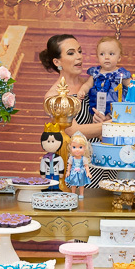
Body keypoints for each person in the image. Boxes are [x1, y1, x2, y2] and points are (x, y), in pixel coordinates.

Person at [40, 34, 116, 188]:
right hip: (81, 165)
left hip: (107, 160)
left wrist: (107, 120)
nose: (79, 57)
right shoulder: (54, 96)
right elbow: (74, 130)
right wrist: (117, 124)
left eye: (80, 51)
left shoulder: (92, 85)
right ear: (57, 62)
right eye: (71, 53)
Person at [78, 36, 133, 116]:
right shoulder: (96, 73)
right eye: (102, 54)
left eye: (111, 54)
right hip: (98, 107)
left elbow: (131, 84)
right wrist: (82, 90)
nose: (106, 57)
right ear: (97, 57)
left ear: (119, 58)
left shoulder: (120, 73)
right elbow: (88, 85)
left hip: (117, 108)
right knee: (98, 124)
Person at [66, 131, 92, 199]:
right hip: (73, 173)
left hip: (81, 173)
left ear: (85, 148)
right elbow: (69, 165)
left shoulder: (84, 159)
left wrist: (88, 172)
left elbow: (86, 166)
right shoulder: (71, 158)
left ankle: (81, 194)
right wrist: (68, 172)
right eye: (74, 147)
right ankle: (73, 193)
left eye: (80, 147)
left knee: (81, 184)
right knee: (73, 184)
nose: (77, 150)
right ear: (70, 147)